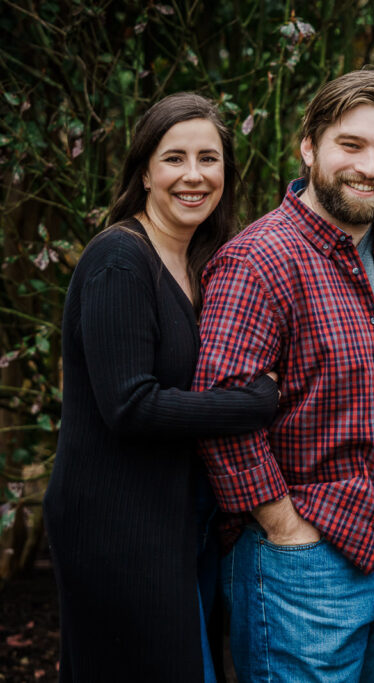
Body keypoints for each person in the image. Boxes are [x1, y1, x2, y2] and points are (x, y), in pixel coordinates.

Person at [192, 69, 374, 682]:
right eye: (350, 145)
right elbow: (219, 410)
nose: (370, 167)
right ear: (309, 146)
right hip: (303, 563)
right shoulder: (258, 261)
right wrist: (284, 526)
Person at [43, 93, 280, 682]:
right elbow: (130, 406)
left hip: (179, 516)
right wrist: (256, 401)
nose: (194, 175)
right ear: (145, 172)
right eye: (175, 158)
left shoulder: (201, 261)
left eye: (209, 158)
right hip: (118, 524)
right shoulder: (120, 261)